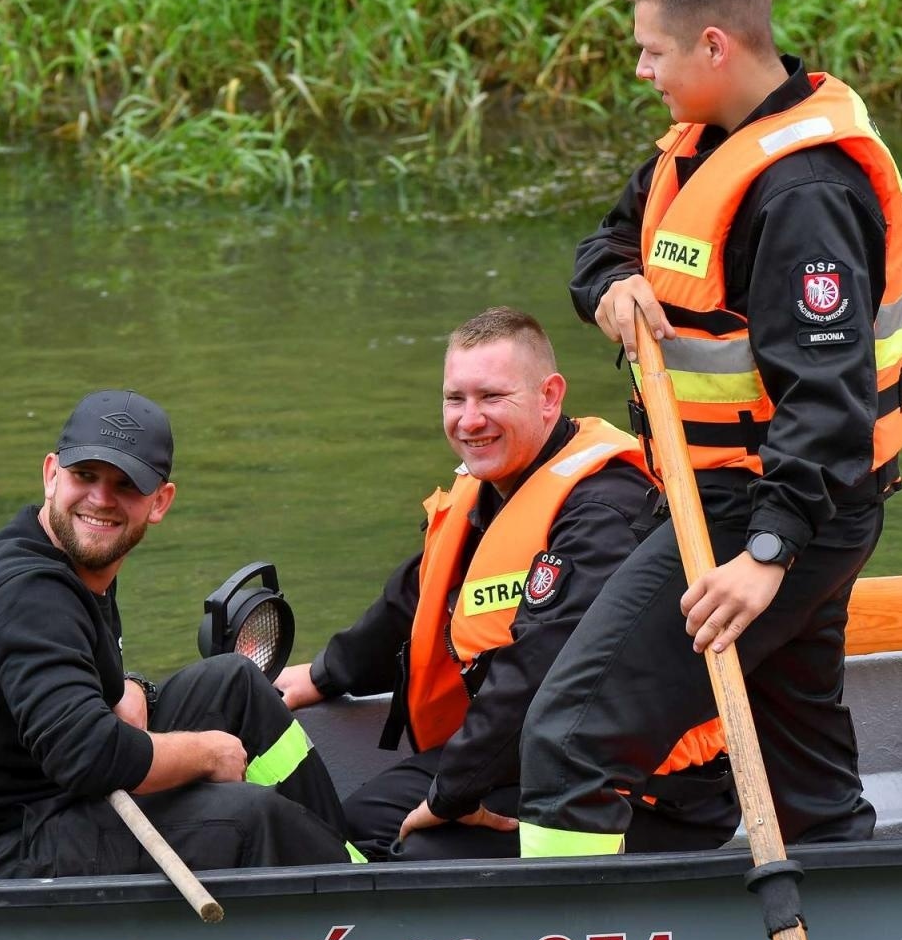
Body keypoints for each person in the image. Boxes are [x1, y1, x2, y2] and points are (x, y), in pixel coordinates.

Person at [519, 0, 902, 857]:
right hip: (745, 504)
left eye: (652, 52)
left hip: (768, 512)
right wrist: (612, 286)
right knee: (800, 767)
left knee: (568, 741)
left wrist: (767, 556)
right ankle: (852, 892)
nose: (641, 71)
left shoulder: (804, 193)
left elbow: (829, 399)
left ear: (713, 44)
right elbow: (605, 242)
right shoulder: (700, 145)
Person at [275, 307, 735, 862]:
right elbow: (419, 598)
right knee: (360, 824)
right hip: (523, 755)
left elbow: (536, 671)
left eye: (492, 397)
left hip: (642, 789)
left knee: (410, 847)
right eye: (455, 399)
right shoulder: (492, 489)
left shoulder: (604, 512)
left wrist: (451, 793)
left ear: (549, 397)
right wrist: (325, 674)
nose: (470, 421)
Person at [0, 389, 359, 878]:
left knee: (234, 683)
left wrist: (132, 687)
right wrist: (209, 754)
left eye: (126, 485)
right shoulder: (30, 593)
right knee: (249, 819)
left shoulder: (69, 558)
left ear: (160, 502)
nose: (101, 500)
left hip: (38, 793)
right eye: (85, 475)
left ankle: (352, 866)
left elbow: (71, 687)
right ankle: (355, 898)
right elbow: (87, 755)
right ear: (51, 475)